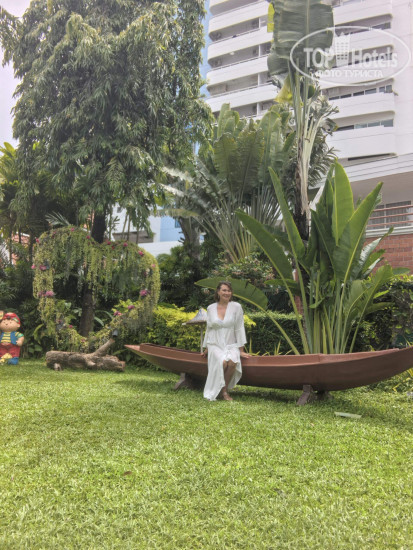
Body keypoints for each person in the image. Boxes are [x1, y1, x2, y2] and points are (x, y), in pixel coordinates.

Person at [202, 281, 250, 401]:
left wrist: (241, 350)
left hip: (230, 344)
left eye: (229, 291)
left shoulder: (236, 307)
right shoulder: (210, 308)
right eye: (224, 290)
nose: (227, 293)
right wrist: (206, 348)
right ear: (218, 292)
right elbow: (209, 329)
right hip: (215, 344)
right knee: (223, 362)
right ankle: (219, 391)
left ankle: (223, 391)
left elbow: (239, 328)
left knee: (233, 362)